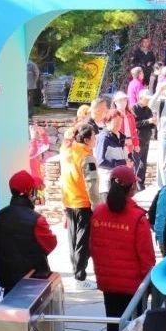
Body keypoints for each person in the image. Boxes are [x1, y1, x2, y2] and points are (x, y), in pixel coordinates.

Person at [91, 166, 156, 331]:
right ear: (132, 187)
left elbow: (94, 248)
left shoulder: (98, 213)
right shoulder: (137, 218)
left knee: (112, 329)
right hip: (133, 287)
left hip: (108, 283)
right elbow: (146, 257)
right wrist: (149, 284)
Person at [0, 170, 58, 292]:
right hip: (33, 281)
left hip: (8, 280)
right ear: (30, 191)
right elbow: (50, 244)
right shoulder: (37, 219)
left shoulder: (0, 216)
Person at [62, 123, 100, 289]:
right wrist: (96, 205)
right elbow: (91, 184)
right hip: (83, 202)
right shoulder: (86, 157)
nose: (95, 139)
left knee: (73, 240)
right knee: (83, 242)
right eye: (93, 137)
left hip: (69, 201)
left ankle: (76, 271)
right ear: (86, 139)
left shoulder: (67, 150)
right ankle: (80, 276)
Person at [95, 109, 131, 194]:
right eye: (116, 122)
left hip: (120, 178)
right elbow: (100, 161)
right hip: (108, 180)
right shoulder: (104, 138)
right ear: (107, 122)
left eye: (120, 122)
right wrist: (121, 163)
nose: (118, 125)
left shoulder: (121, 137)